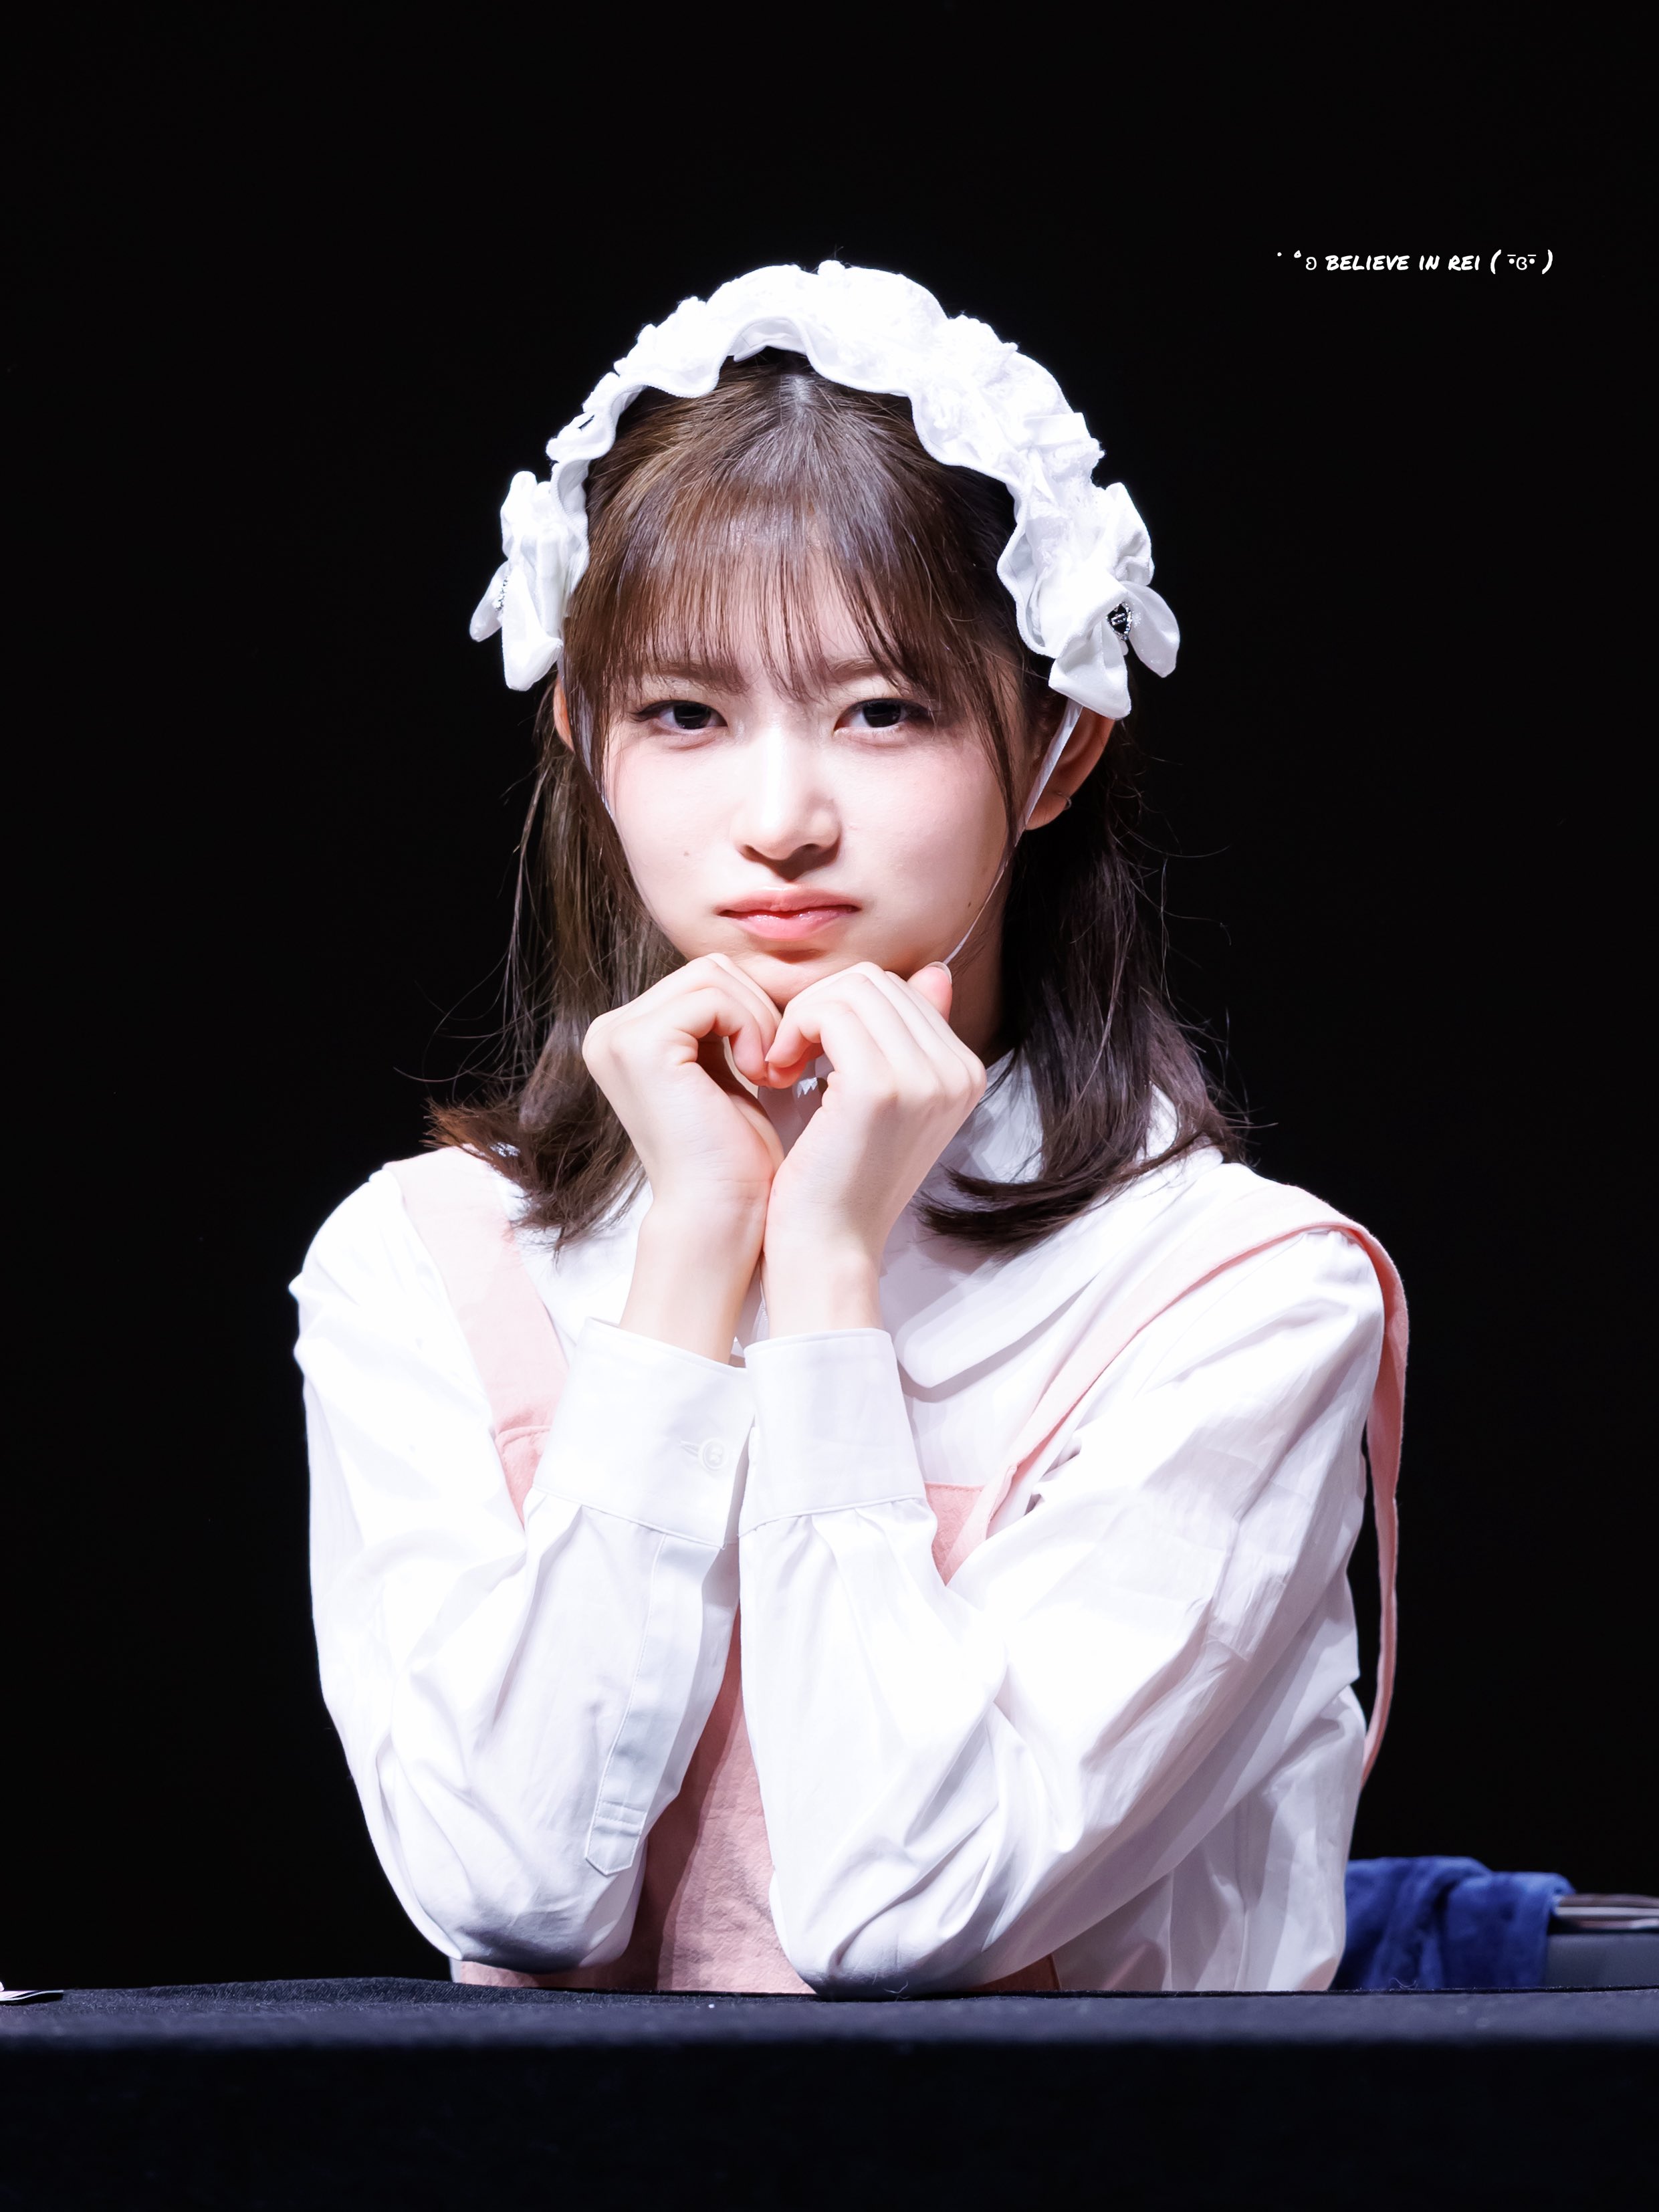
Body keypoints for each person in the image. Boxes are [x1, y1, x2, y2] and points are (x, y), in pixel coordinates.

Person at [293, 263, 1406, 1997]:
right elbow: (507, 1895)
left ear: (1056, 749)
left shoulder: (1234, 1293)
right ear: (583, 738)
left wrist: (823, 1278)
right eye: (684, 714)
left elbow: (904, 1911)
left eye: (883, 710)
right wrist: (693, 1254)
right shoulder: (422, 1264)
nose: (781, 819)